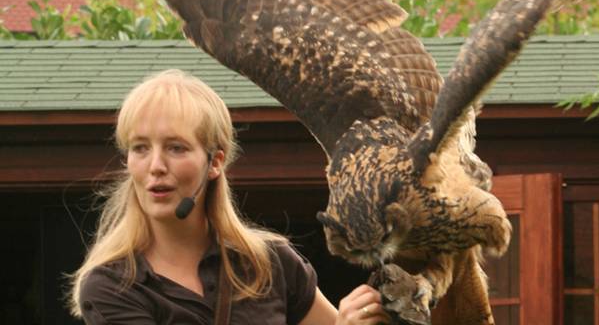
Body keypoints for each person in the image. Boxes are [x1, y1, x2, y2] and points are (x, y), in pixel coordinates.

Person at [68, 69, 390, 325]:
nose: (155, 166)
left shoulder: (272, 263)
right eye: (140, 148)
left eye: (175, 148)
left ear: (215, 162)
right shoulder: (112, 287)